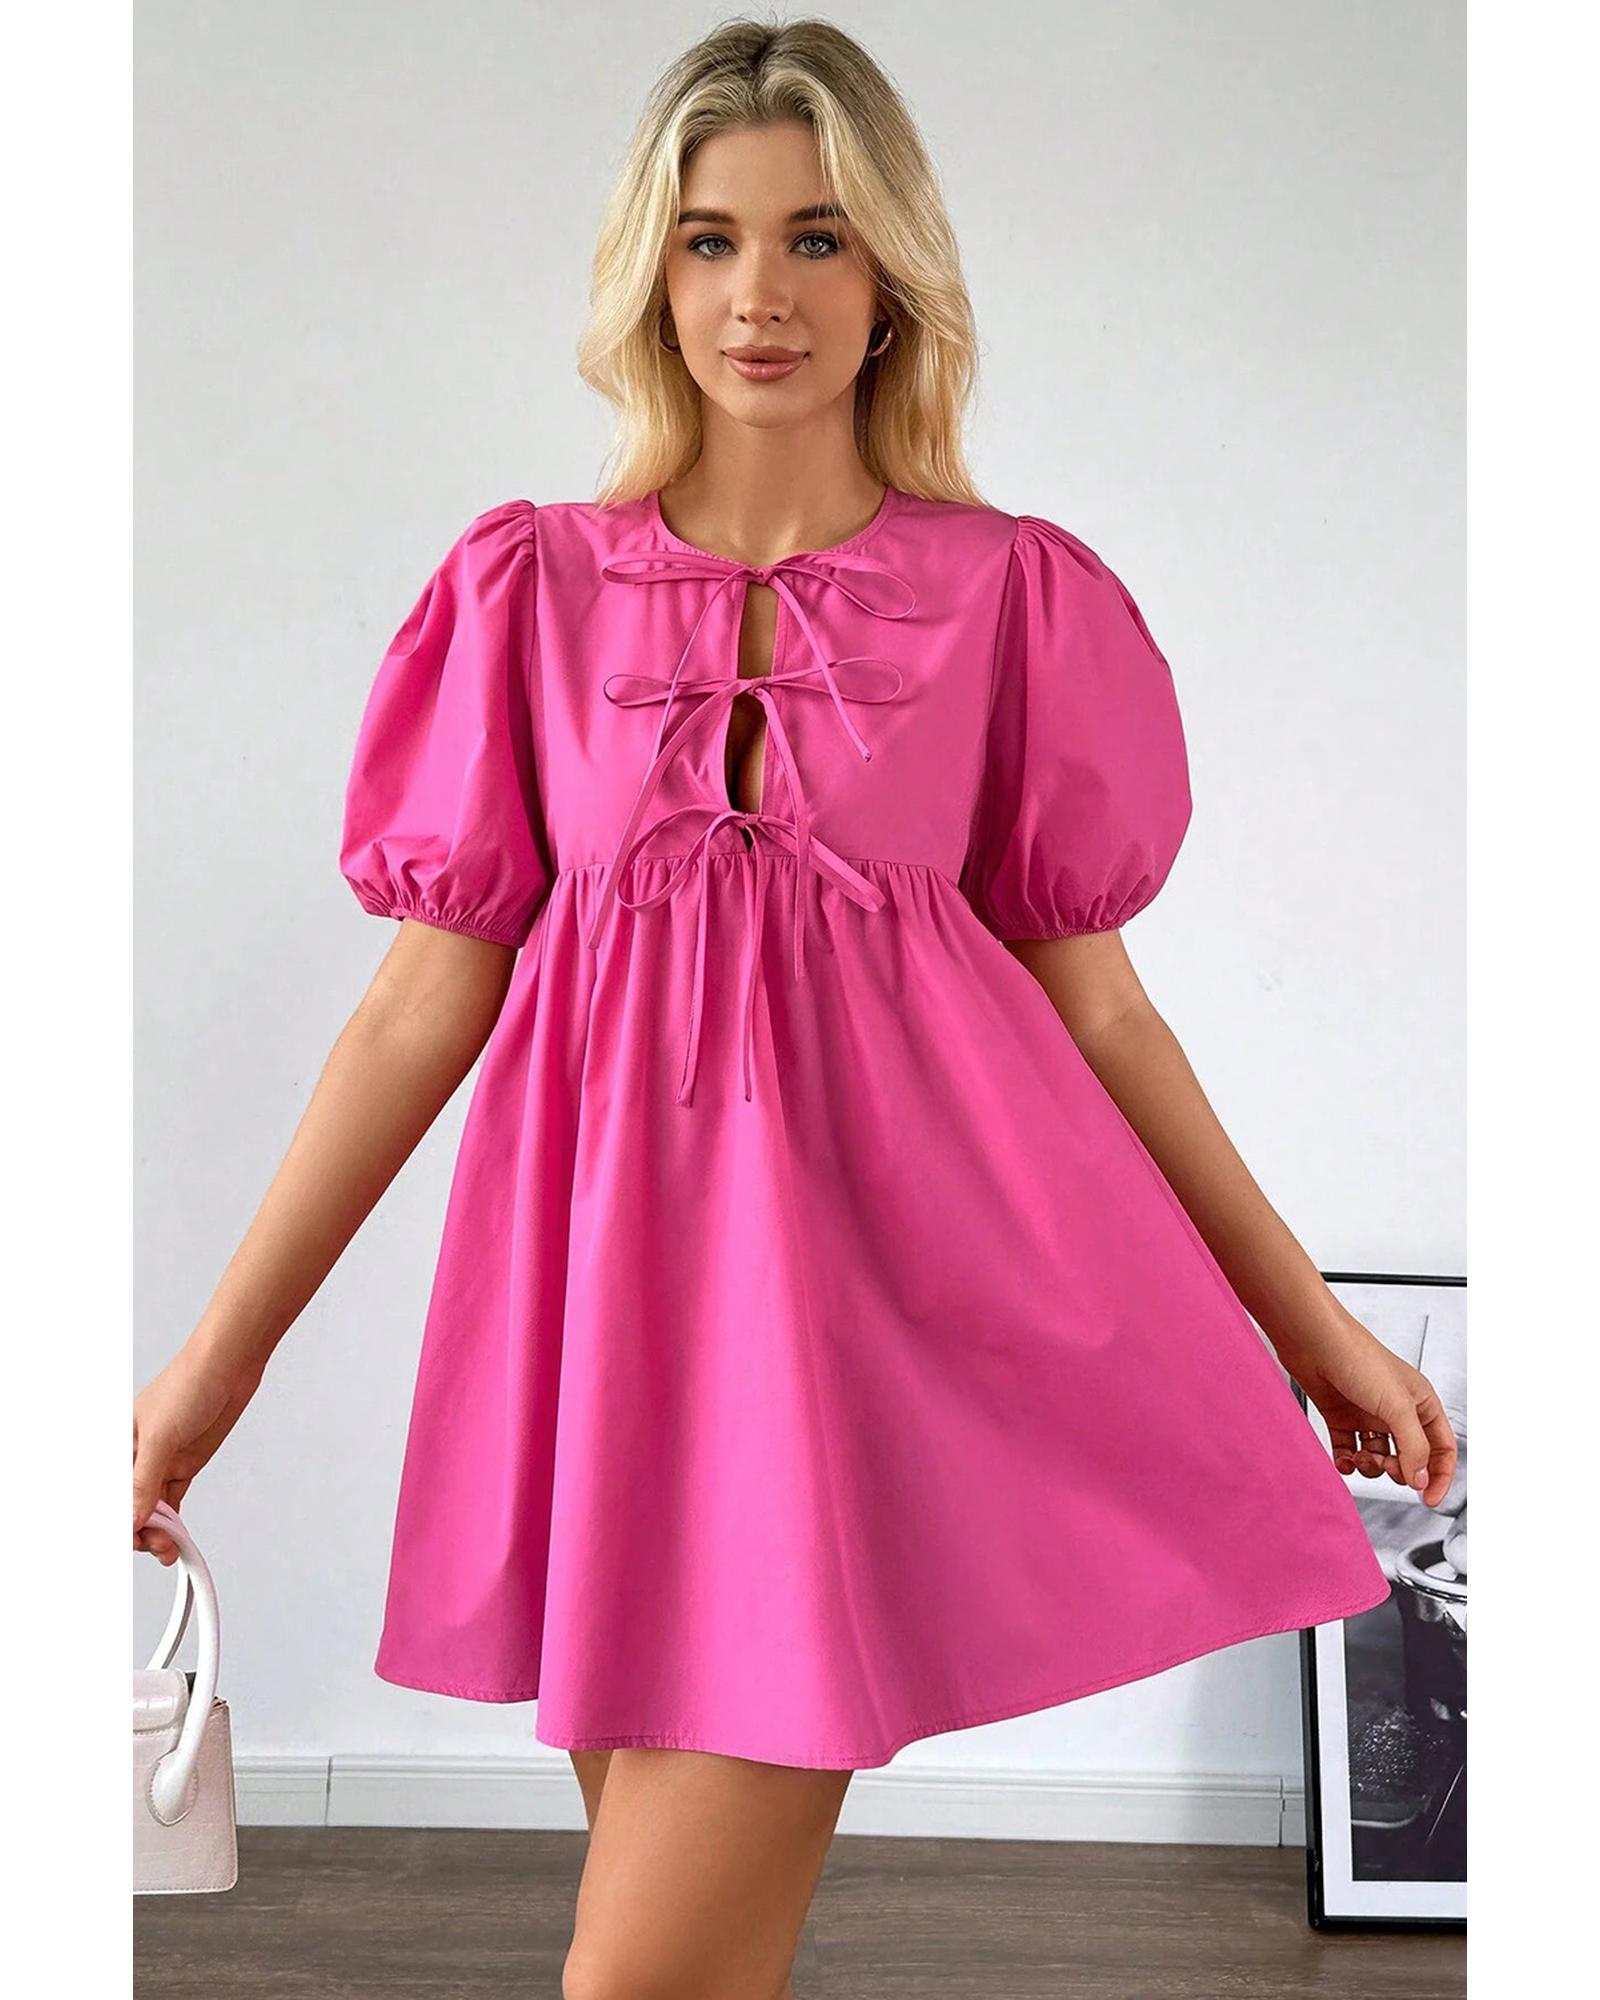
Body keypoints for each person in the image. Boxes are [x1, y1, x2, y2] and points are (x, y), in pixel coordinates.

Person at [133, 18, 1458, 1997]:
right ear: (651, 276)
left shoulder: (1008, 598)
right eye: (712, 239)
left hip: (860, 1339)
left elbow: (1103, 1019)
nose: (761, 292)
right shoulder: (528, 591)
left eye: (817, 237)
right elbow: (416, 1009)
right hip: (599, 1337)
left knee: (644, 1977)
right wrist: (208, 1378)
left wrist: (1305, 1325)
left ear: (892, 275)